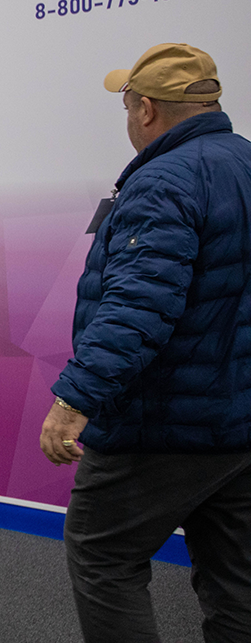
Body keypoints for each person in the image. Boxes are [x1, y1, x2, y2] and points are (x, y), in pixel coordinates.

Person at [40, 43, 251, 642]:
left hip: (160, 425)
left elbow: (137, 307)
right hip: (238, 423)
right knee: (237, 581)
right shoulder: (245, 162)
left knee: (102, 555)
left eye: (128, 105)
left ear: (147, 110)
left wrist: (74, 400)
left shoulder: (162, 181)